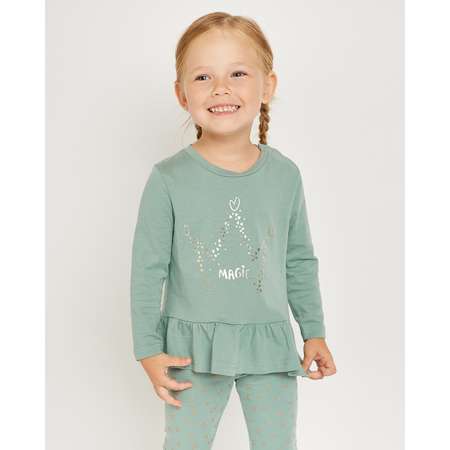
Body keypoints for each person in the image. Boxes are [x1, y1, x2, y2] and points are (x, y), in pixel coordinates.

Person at [130, 11, 337, 450]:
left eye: (238, 73)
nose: (221, 88)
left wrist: (313, 330)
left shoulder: (285, 176)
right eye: (203, 76)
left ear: (268, 86)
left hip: (270, 346)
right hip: (191, 348)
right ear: (182, 94)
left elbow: (298, 259)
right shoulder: (168, 179)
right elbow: (148, 270)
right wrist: (147, 349)